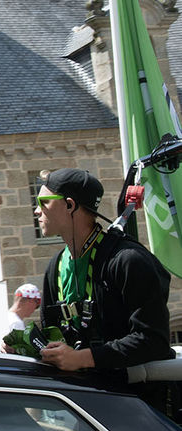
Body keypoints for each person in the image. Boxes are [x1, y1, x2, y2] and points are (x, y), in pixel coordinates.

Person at [34, 168, 174, 409]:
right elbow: (53, 336)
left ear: (69, 205)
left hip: (141, 409)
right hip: (86, 410)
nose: (37, 210)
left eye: (43, 202)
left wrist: (81, 358)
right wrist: (28, 345)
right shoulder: (55, 266)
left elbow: (152, 339)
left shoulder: (129, 260)